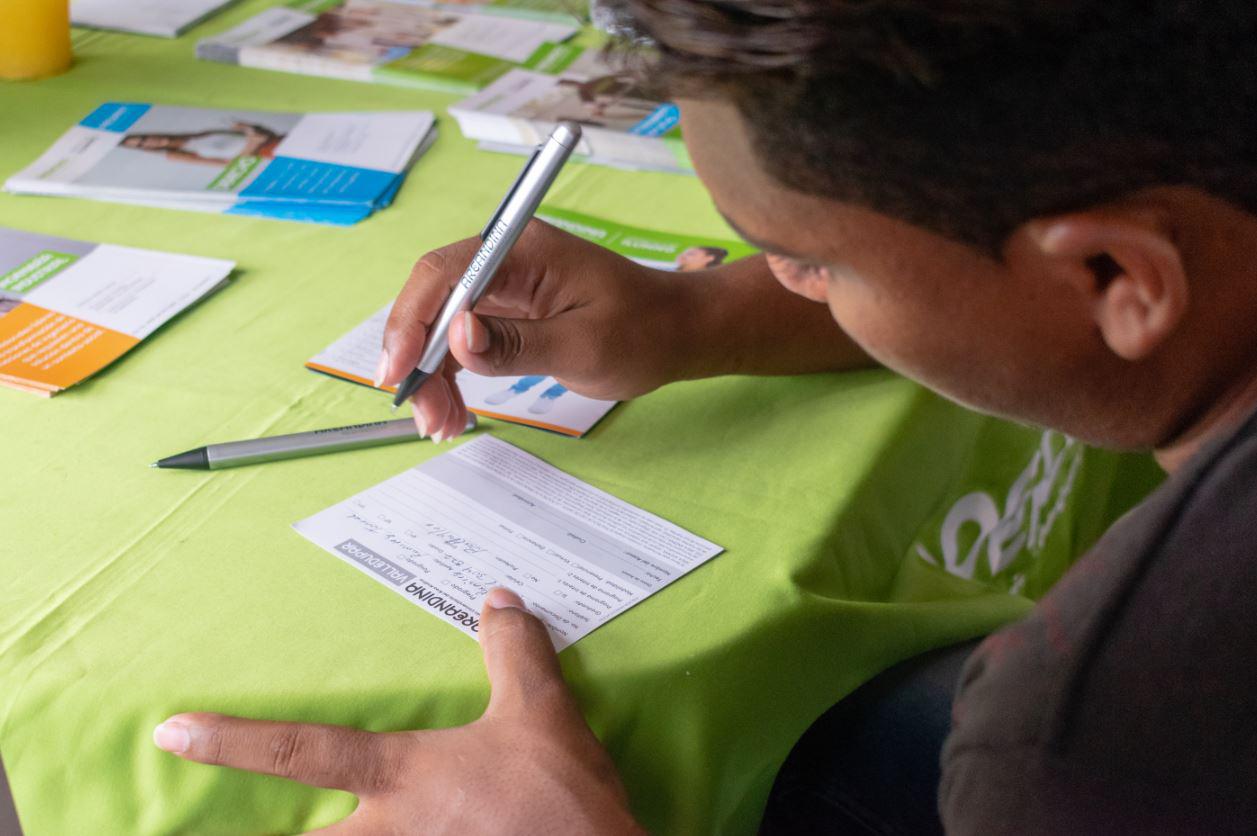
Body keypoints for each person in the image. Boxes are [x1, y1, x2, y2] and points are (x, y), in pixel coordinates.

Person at [152, 2, 1257, 832]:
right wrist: (689, 316)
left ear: (1116, 274)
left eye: (809, 260)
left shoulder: (1089, 746)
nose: (781, 280)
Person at [120, 123, 283, 164]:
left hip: (278, 140)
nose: (149, 141)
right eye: (142, 145)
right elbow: (229, 165)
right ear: (146, 149)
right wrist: (253, 144)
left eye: (144, 138)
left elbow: (265, 134)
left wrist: (249, 129)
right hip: (268, 154)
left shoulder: (199, 134)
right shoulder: (178, 155)